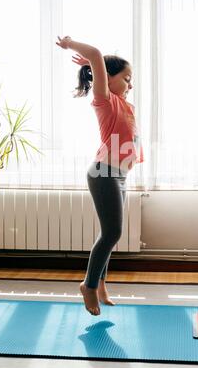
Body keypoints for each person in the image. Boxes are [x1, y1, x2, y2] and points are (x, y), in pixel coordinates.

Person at [55, 36, 144, 316]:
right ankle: (89, 286)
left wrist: (97, 69)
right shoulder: (105, 101)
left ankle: (101, 284)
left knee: (109, 233)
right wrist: (71, 45)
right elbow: (95, 53)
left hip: (119, 175)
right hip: (103, 173)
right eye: (127, 78)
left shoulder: (125, 105)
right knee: (112, 232)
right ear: (109, 79)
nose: (131, 84)